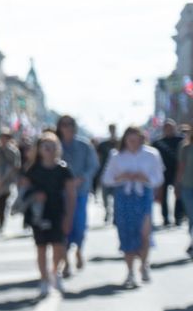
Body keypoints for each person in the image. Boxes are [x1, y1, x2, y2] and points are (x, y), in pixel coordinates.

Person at [100, 125, 164, 287]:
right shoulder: (116, 156)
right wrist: (121, 177)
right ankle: (130, 272)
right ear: (125, 140)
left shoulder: (151, 154)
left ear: (142, 139)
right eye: (130, 140)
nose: (133, 143)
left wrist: (146, 179)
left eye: (137, 140)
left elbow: (159, 178)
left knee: (145, 232)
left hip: (143, 196)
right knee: (127, 233)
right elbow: (106, 179)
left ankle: (144, 265)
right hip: (124, 197)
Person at [17, 133, 77, 297]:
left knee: (59, 246)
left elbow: (71, 194)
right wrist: (34, 195)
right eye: (45, 146)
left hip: (57, 211)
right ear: (40, 149)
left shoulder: (63, 169)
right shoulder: (32, 169)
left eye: (52, 146)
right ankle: (44, 279)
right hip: (38, 213)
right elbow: (23, 192)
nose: (49, 149)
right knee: (41, 247)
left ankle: (55, 272)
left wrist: (69, 217)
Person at [55, 116, 98, 274]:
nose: (67, 128)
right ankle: (65, 261)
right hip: (61, 193)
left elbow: (93, 165)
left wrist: (83, 178)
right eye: (63, 125)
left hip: (80, 192)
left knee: (79, 225)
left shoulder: (84, 145)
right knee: (63, 227)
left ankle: (79, 249)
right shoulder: (56, 145)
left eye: (70, 124)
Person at [0, 131, 20, 234]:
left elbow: (15, 166)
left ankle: (2, 220)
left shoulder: (13, 151)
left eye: (5, 137)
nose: (3, 140)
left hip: (7, 180)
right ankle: (1, 216)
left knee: (4, 200)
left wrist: (5, 177)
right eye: (2, 137)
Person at [155, 119, 183, 227]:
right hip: (163, 173)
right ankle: (165, 217)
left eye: (170, 128)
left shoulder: (181, 141)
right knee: (163, 197)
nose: (169, 130)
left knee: (178, 195)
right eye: (166, 128)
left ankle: (178, 217)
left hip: (178, 172)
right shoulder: (158, 143)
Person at [96, 124, 119, 222]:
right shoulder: (103, 144)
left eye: (113, 129)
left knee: (116, 195)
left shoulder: (120, 143)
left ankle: (115, 214)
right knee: (105, 195)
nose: (112, 131)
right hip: (105, 173)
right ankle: (107, 211)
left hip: (118, 174)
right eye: (111, 129)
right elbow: (98, 159)